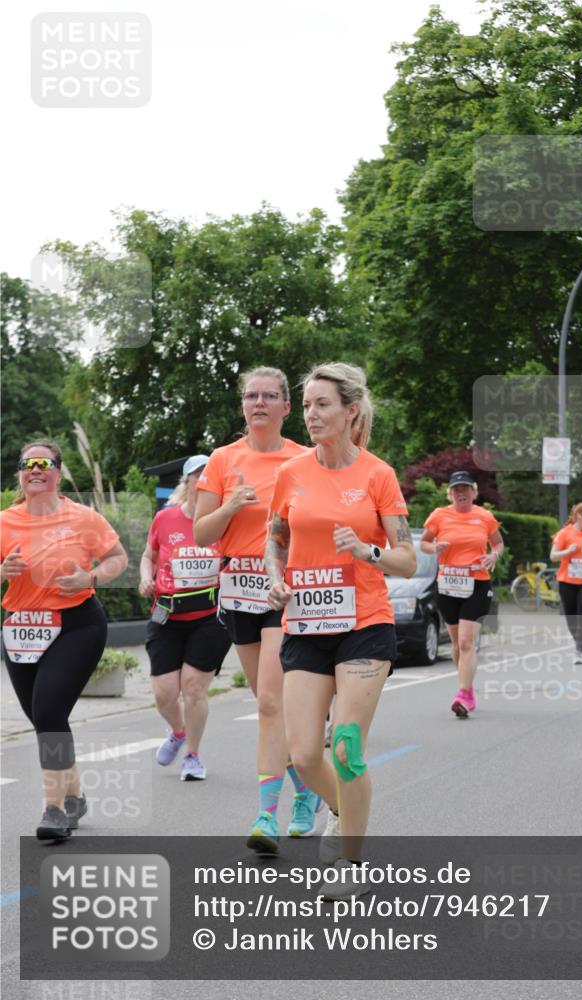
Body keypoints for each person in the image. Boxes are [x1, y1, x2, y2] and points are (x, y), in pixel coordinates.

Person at [265, 362, 416, 897]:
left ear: (351, 411)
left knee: (346, 747)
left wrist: (368, 551)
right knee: (305, 755)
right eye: (306, 405)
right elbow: (275, 539)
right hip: (306, 623)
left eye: (322, 404)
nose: (311, 414)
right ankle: (340, 807)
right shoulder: (291, 473)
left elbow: (407, 558)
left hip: (365, 623)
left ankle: (351, 863)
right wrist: (275, 578)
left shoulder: (378, 475)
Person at [194, 367, 319, 850]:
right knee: (270, 705)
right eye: (251, 395)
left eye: (270, 396)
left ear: (287, 407)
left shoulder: (304, 459)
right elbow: (201, 533)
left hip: (282, 592)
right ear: (243, 405)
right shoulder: (223, 460)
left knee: (269, 701)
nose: (259, 402)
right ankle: (305, 789)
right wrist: (230, 506)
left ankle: (266, 816)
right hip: (237, 591)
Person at [0, 439, 128, 840]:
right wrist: (3, 571)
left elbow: (118, 558)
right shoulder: (4, 521)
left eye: (44, 463)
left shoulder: (83, 518)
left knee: (50, 712)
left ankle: (53, 810)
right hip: (22, 629)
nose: (35, 469)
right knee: (45, 719)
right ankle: (74, 796)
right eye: (28, 464)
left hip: (76, 625)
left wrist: (91, 577)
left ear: (57, 472)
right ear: (20, 474)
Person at [139, 455, 231, 781]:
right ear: (187, 482)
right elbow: (148, 556)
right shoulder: (165, 518)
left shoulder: (225, 521)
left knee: (193, 688)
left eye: (209, 477)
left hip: (210, 616)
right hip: (167, 615)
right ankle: (178, 732)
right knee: (164, 694)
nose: (202, 482)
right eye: (197, 477)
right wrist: (145, 578)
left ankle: (192, 755)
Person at [420, 471, 503, 718]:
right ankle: (467, 687)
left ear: (473, 492)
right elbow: (424, 543)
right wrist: (434, 547)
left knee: (466, 642)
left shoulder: (485, 516)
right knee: (457, 643)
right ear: (451, 494)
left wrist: (494, 555)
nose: (461, 493)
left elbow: (498, 543)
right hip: (448, 584)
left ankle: (464, 694)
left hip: (477, 583)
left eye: (465, 489)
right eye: (457, 489)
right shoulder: (439, 515)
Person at [550, 503, 582, 664]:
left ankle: (579, 649)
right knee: (571, 617)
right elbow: (553, 556)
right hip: (567, 581)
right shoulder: (565, 533)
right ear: (579, 516)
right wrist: (568, 551)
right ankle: (578, 642)